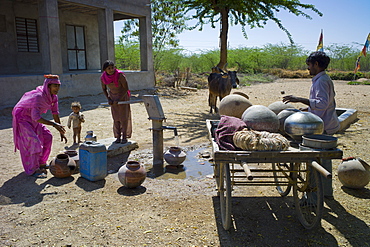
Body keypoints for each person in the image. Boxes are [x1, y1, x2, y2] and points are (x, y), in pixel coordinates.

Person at [282, 51, 340, 199]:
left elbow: (321, 104)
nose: (308, 68)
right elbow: (323, 104)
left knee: (314, 162)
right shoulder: (322, 79)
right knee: (325, 161)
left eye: (309, 65)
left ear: (316, 64)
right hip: (325, 124)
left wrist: (300, 99)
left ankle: (313, 199)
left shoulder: (321, 81)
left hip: (322, 127)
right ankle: (326, 193)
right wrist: (307, 109)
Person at [12, 74, 67, 178]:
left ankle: (41, 162)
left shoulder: (53, 98)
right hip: (23, 119)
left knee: (48, 137)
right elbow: (37, 117)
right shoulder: (38, 97)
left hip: (33, 119)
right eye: (55, 86)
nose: (57, 88)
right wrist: (54, 124)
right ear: (48, 86)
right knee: (33, 141)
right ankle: (33, 169)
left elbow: (55, 113)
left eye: (58, 86)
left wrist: (60, 130)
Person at [101, 60, 132, 144]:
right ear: (105, 70)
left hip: (123, 97)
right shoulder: (103, 77)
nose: (111, 70)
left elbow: (126, 88)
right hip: (113, 98)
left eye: (112, 68)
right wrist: (109, 99)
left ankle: (124, 136)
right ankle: (118, 137)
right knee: (116, 118)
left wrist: (119, 99)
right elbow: (104, 89)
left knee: (123, 117)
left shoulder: (120, 75)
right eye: (109, 68)